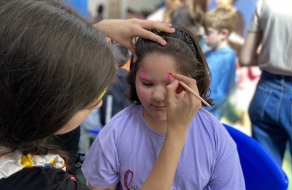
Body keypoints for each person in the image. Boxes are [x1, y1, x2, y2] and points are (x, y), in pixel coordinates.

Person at [0, 0, 201, 189]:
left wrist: (89, 37)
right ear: (49, 109)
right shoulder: (42, 184)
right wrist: (176, 135)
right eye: (90, 99)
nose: (98, 104)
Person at [82, 27, 245, 190]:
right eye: (147, 83)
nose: (159, 96)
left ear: (192, 83)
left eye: (170, 84)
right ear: (134, 78)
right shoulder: (115, 133)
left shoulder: (215, 138)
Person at [239, 0, 292, 180]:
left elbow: (246, 57)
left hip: (266, 90)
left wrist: (271, 59)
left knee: (267, 177)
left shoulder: (266, 2)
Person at [202, 7, 237, 120]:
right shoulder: (208, 53)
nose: (204, 35)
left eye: (209, 32)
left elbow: (222, 93)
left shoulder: (228, 57)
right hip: (197, 110)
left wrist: (202, 105)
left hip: (210, 116)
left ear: (223, 33)